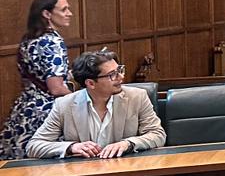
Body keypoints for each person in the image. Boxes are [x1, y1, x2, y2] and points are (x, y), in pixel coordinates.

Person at [26, 49, 165, 159]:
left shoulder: (137, 97)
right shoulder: (64, 105)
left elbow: (158, 135)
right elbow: (34, 146)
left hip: (128, 170)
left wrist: (128, 144)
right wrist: (71, 147)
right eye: (113, 74)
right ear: (90, 83)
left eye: (120, 70)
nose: (121, 77)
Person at [1, 0, 73, 160]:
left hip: (25, 108)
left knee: (15, 165)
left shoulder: (29, 39)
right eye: (64, 10)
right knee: (42, 164)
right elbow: (55, 88)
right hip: (46, 112)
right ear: (47, 14)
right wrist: (80, 98)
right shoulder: (52, 41)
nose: (69, 13)